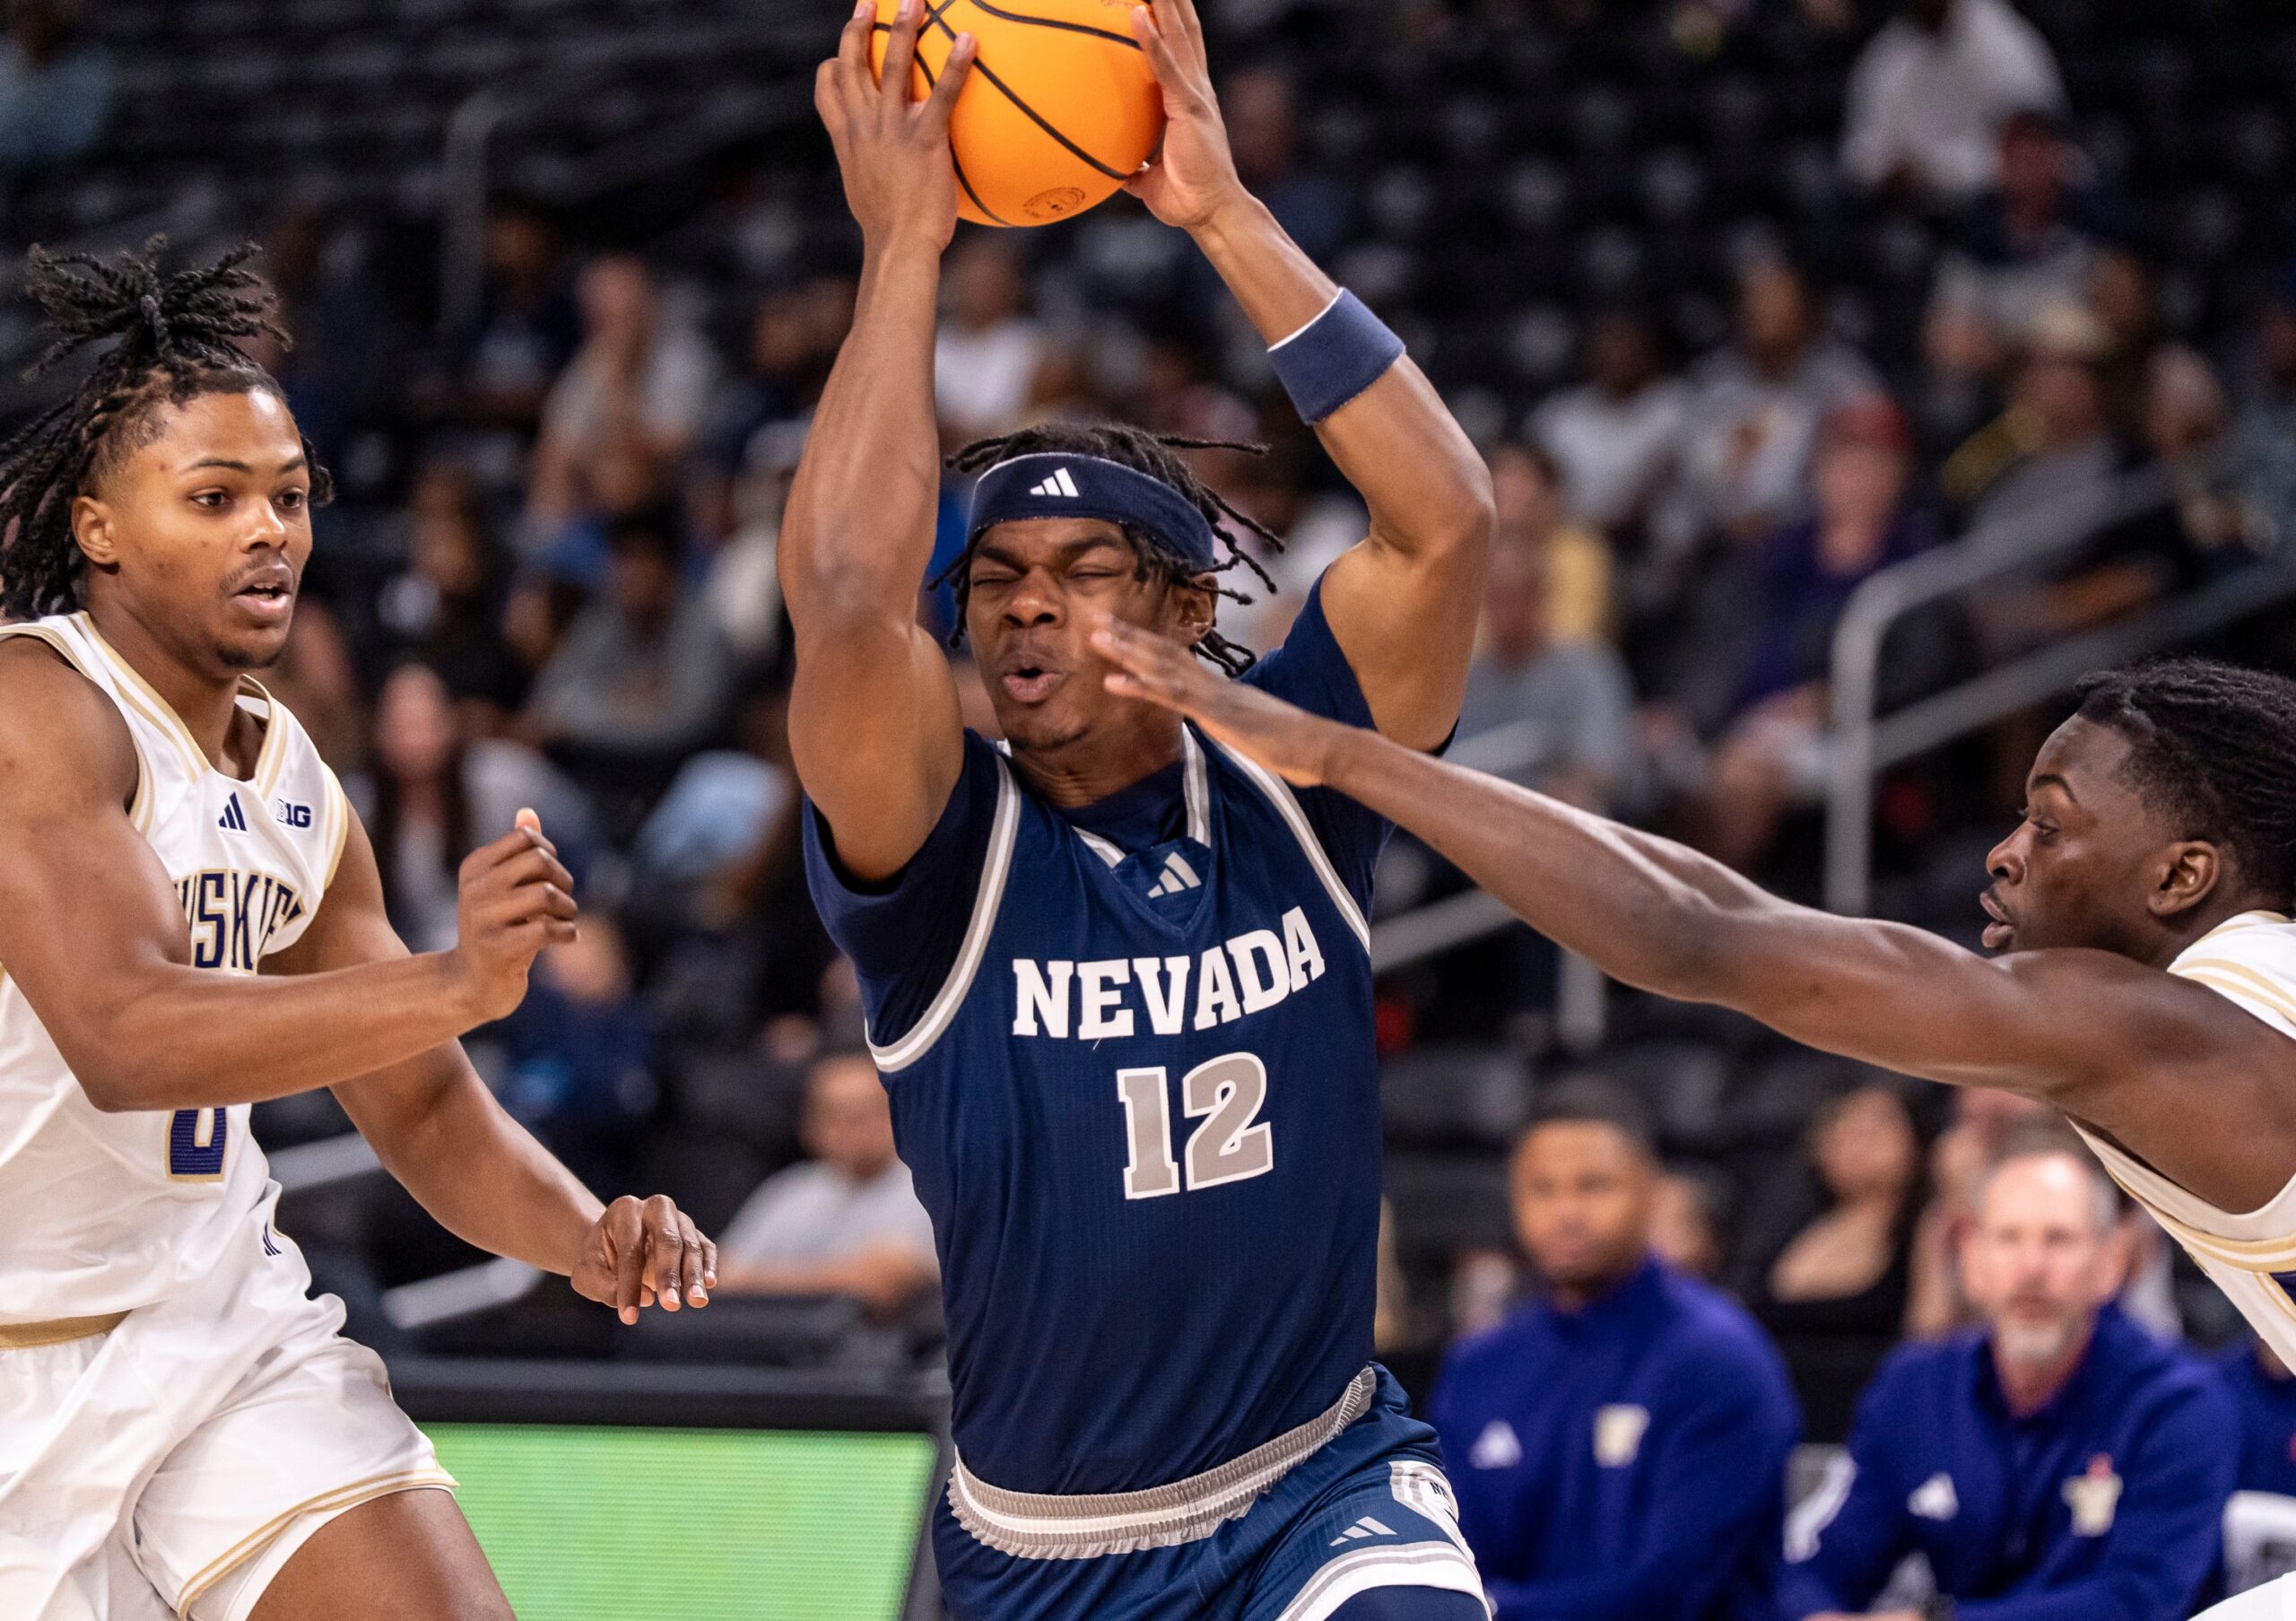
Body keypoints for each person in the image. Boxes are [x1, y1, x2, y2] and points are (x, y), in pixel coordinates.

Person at [781, 0, 1493, 1615]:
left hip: (1325, 1483)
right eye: (996, 584)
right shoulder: (939, 853)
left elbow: (1445, 521)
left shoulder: (1294, 769)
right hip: (1049, 1545)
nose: (1025, 611)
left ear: (1185, 607)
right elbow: (840, 591)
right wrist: (905, 249)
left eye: (1082, 573)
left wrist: (1223, 215)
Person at [1091, 574, 2296, 1407]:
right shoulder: (2232, 999)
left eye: (2049, 823)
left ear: (2183, 874)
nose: (2003, 850)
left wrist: (1341, 755)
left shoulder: (2169, 1029)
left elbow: (1703, 933)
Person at [0, 243, 713, 1621]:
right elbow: (126, 1034)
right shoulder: (36, 710)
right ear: (97, 527)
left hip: (218, 1334)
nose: (268, 529)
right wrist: (456, 976)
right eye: (212, 498)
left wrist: (582, 1235)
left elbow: (424, 1110)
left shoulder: (296, 778)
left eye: (287, 495)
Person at [1779, 1133, 2232, 1621]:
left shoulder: (2179, 1403)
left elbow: (2137, 1601)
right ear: (1970, 1257)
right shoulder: (1914, 1388)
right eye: (2008, 1237)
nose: (2031, 1268)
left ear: (2111, 1262)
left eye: (2059, 1239)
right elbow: (1822, 1566)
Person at [1427, 1091, 1799, 1621]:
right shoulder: (1479, 1366)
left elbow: (1669, 1591)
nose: (1567, 1212)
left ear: (1652, 1193)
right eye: (1543, 1189)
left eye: (1593, 1186)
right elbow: (1452, 1555)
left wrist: (1483, 1612)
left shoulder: (1720, 1360)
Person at [1735, 1085, 1923, 1438]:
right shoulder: (1784, 1224)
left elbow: (1929, 1334)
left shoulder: (1924, 1230)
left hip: (1871, 1420)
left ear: (1914, 1143)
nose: (1858, 1142)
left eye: (1878, 1128)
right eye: (1845, 1129)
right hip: (1775, 1414)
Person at [715, 1050, 938, 1320]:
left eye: (863, 1114)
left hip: (891, 1351)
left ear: (897, 1115)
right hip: (782, 1348)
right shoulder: (794, 1188)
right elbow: (719, 1275)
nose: (850, 1129)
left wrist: (754, 1281)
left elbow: (880, 1284)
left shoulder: (929, 1188)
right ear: (810, 1126)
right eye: (834, 1116)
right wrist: (840, 1276)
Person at [1839, 0, 2065, 206]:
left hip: (1993, 208)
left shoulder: (2003, 40)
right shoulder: (1887, 56)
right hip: (1914, 211)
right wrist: (1886, 171)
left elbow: (2033, 153)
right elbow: (1861, 150)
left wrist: (1932, 172)